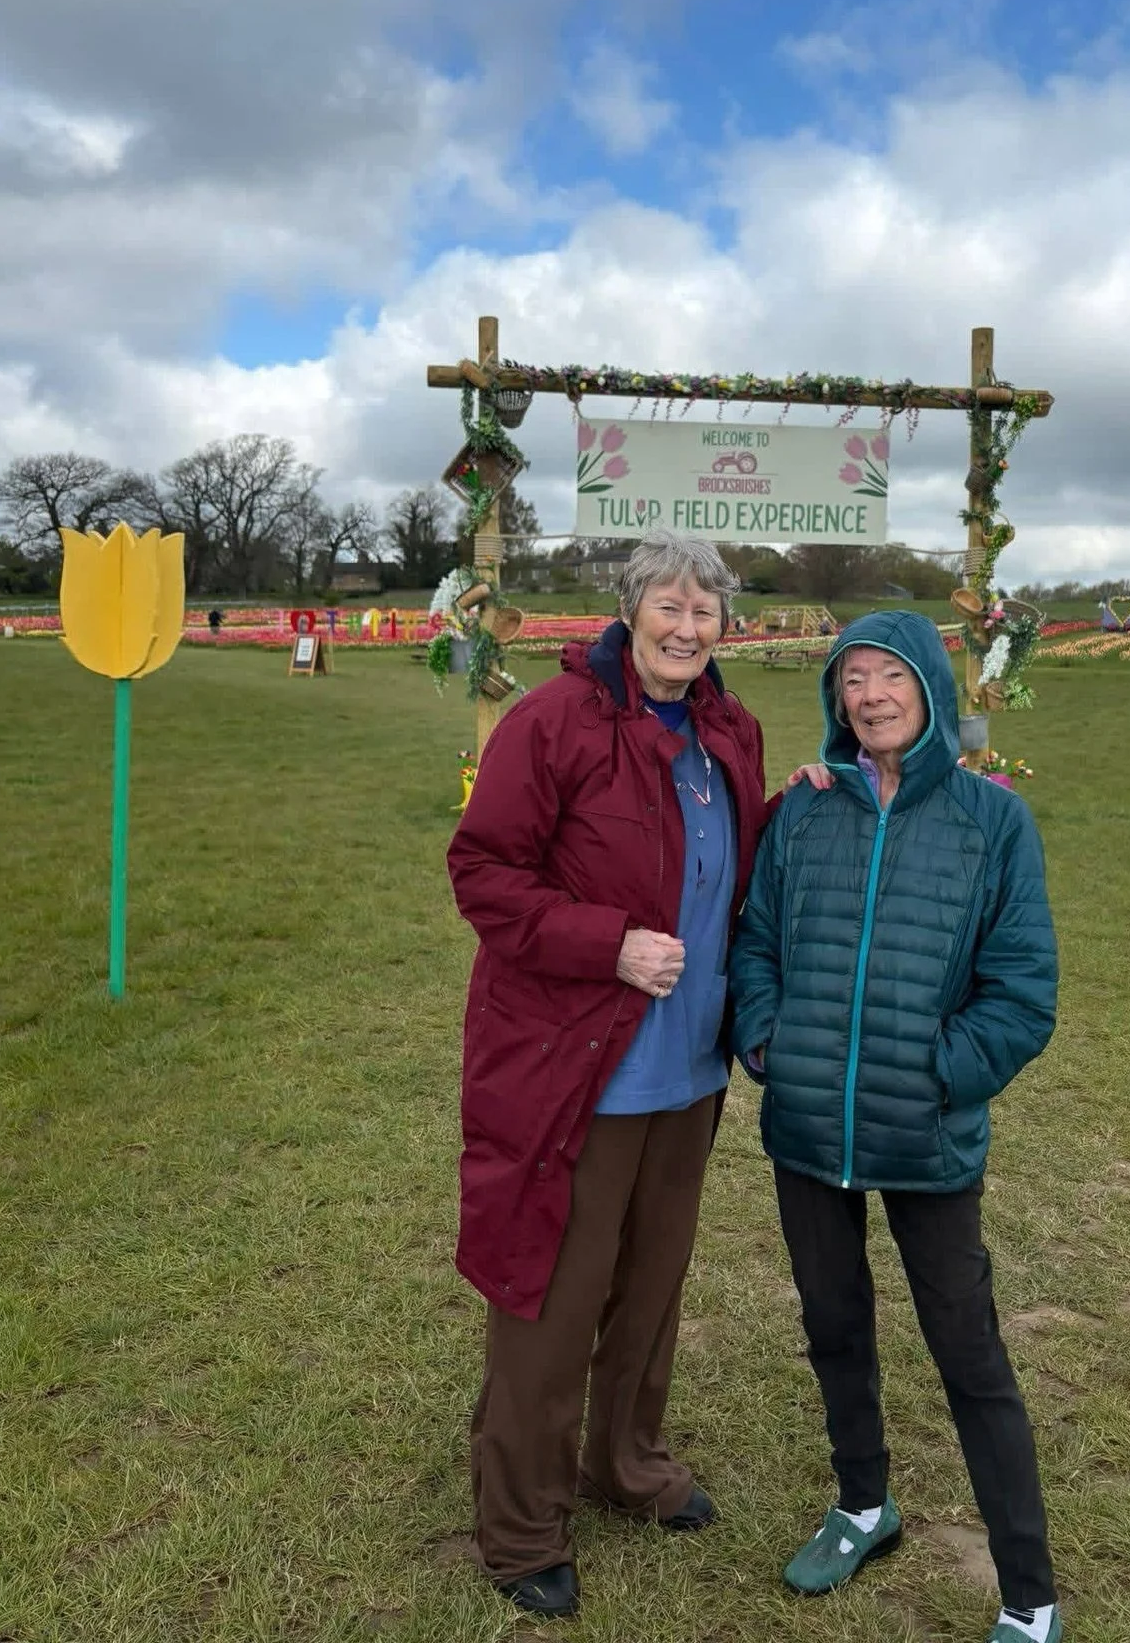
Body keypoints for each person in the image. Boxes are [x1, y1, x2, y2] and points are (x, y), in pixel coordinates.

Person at [446, 529, 776, 1622]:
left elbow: (725, 866)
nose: (688, 629)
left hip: (689, 1071)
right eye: (668, 607)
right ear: (629, 611)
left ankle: (625, 1463)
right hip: (575, 1068)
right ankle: (521, 1521)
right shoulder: (555, 724)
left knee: (652, 1285)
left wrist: (802, 803)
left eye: (706, 611)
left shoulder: (732, 730)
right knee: (552, 1294)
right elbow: (484, 872)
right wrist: (609, 944)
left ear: (726, 625)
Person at [730, 610, 1063, 1643]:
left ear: (930, 686)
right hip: (809, 1129)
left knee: (969, 1354)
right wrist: (771, 1044)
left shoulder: (990, 822)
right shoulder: (806, 812)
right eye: (851, 680)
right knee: (833, 1327)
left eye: (889, 676)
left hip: (926, 1139)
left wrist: (940, 1077)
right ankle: (864, 1504)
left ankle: (1029, 1592)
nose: (869, 696)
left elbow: (1023, 992)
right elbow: (755, 944)